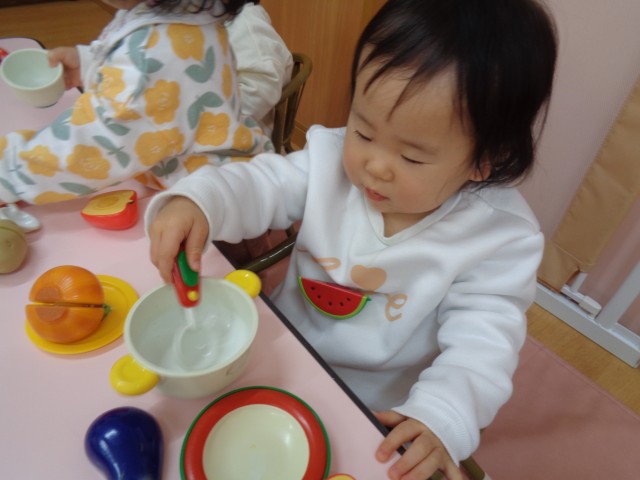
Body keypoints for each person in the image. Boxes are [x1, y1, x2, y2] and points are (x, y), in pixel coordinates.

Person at [146, 0, 558, 478]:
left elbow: (483, 346)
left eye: (412, 157)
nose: (374, 165)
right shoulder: (330, 158)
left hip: (377, 407)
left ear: (484, 161)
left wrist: (443, 415)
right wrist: (199, 201)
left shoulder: (500, 238)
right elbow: (264, 183)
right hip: (281, 350)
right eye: (363, 129)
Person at [0, 0, 272, 205]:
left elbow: (95, 149)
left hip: (208, 204)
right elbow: (143, 74)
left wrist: (10, 172)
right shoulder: (192, 11)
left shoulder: (151, 55)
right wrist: (90, 64)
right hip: (227, 173)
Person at [226, 0, 294, 136]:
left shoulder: (247, 26)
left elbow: (261, 91)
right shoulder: (222, 21)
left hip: (243, 132)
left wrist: (210, 108)